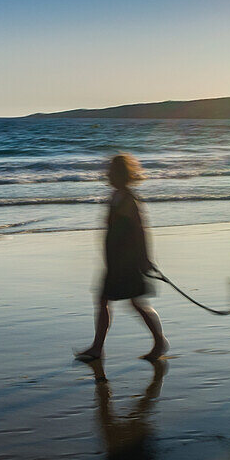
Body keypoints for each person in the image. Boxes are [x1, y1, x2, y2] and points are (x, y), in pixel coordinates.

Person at [76, 153, 167, 368]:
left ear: (121, 175)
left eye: (111, 171)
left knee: (134, 302)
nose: (107, 174)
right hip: (115, 260)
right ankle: (98, 347)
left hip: (127, 261)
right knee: (106, 300)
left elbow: (140, 231)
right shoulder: (116, 196)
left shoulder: (128, 199)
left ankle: (159, 342)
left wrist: (145, 258)